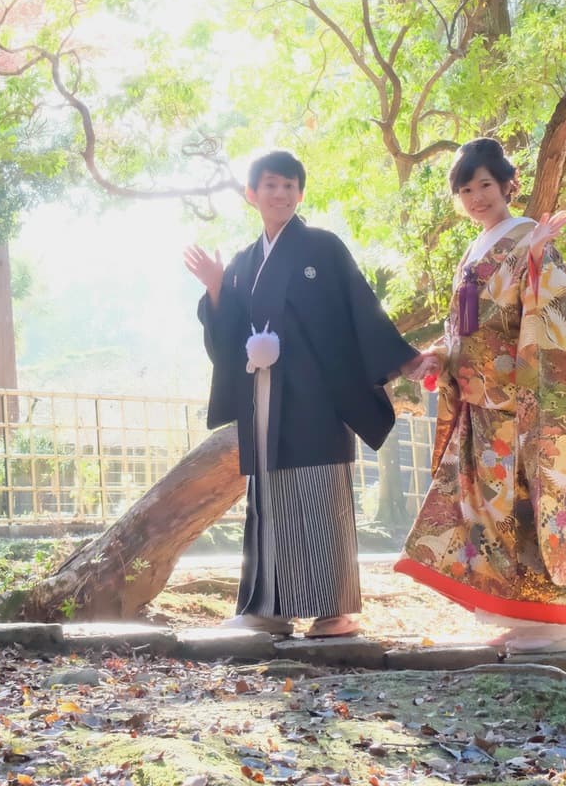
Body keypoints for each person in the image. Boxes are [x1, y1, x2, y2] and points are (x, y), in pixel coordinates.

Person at [184, 149, 436, 639]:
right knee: (270, 499)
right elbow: (226, 338)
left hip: (317, 396)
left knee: (317, 491)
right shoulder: (242, 262)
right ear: (251, 194)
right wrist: (216, 290)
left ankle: (333, 611)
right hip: (264, 397)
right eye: (271, 185)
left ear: (301, 193)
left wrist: (405, 360)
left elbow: (361, 309)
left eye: (290, 186)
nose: (281, 194)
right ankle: (268, 607)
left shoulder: (323, 248)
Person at [394, 137, 566, 653]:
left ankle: (553, 622)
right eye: (466, 189)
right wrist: (439, 355)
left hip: (514, 403)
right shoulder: (475, 247)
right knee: (489, 513)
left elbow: (548, 297)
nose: (477, 196)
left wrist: (540, 257)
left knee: (525, 504)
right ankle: (523, 616)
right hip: (478, 403)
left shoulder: (525, 235)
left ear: (507, 185)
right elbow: (464, 324)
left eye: (485, 185)